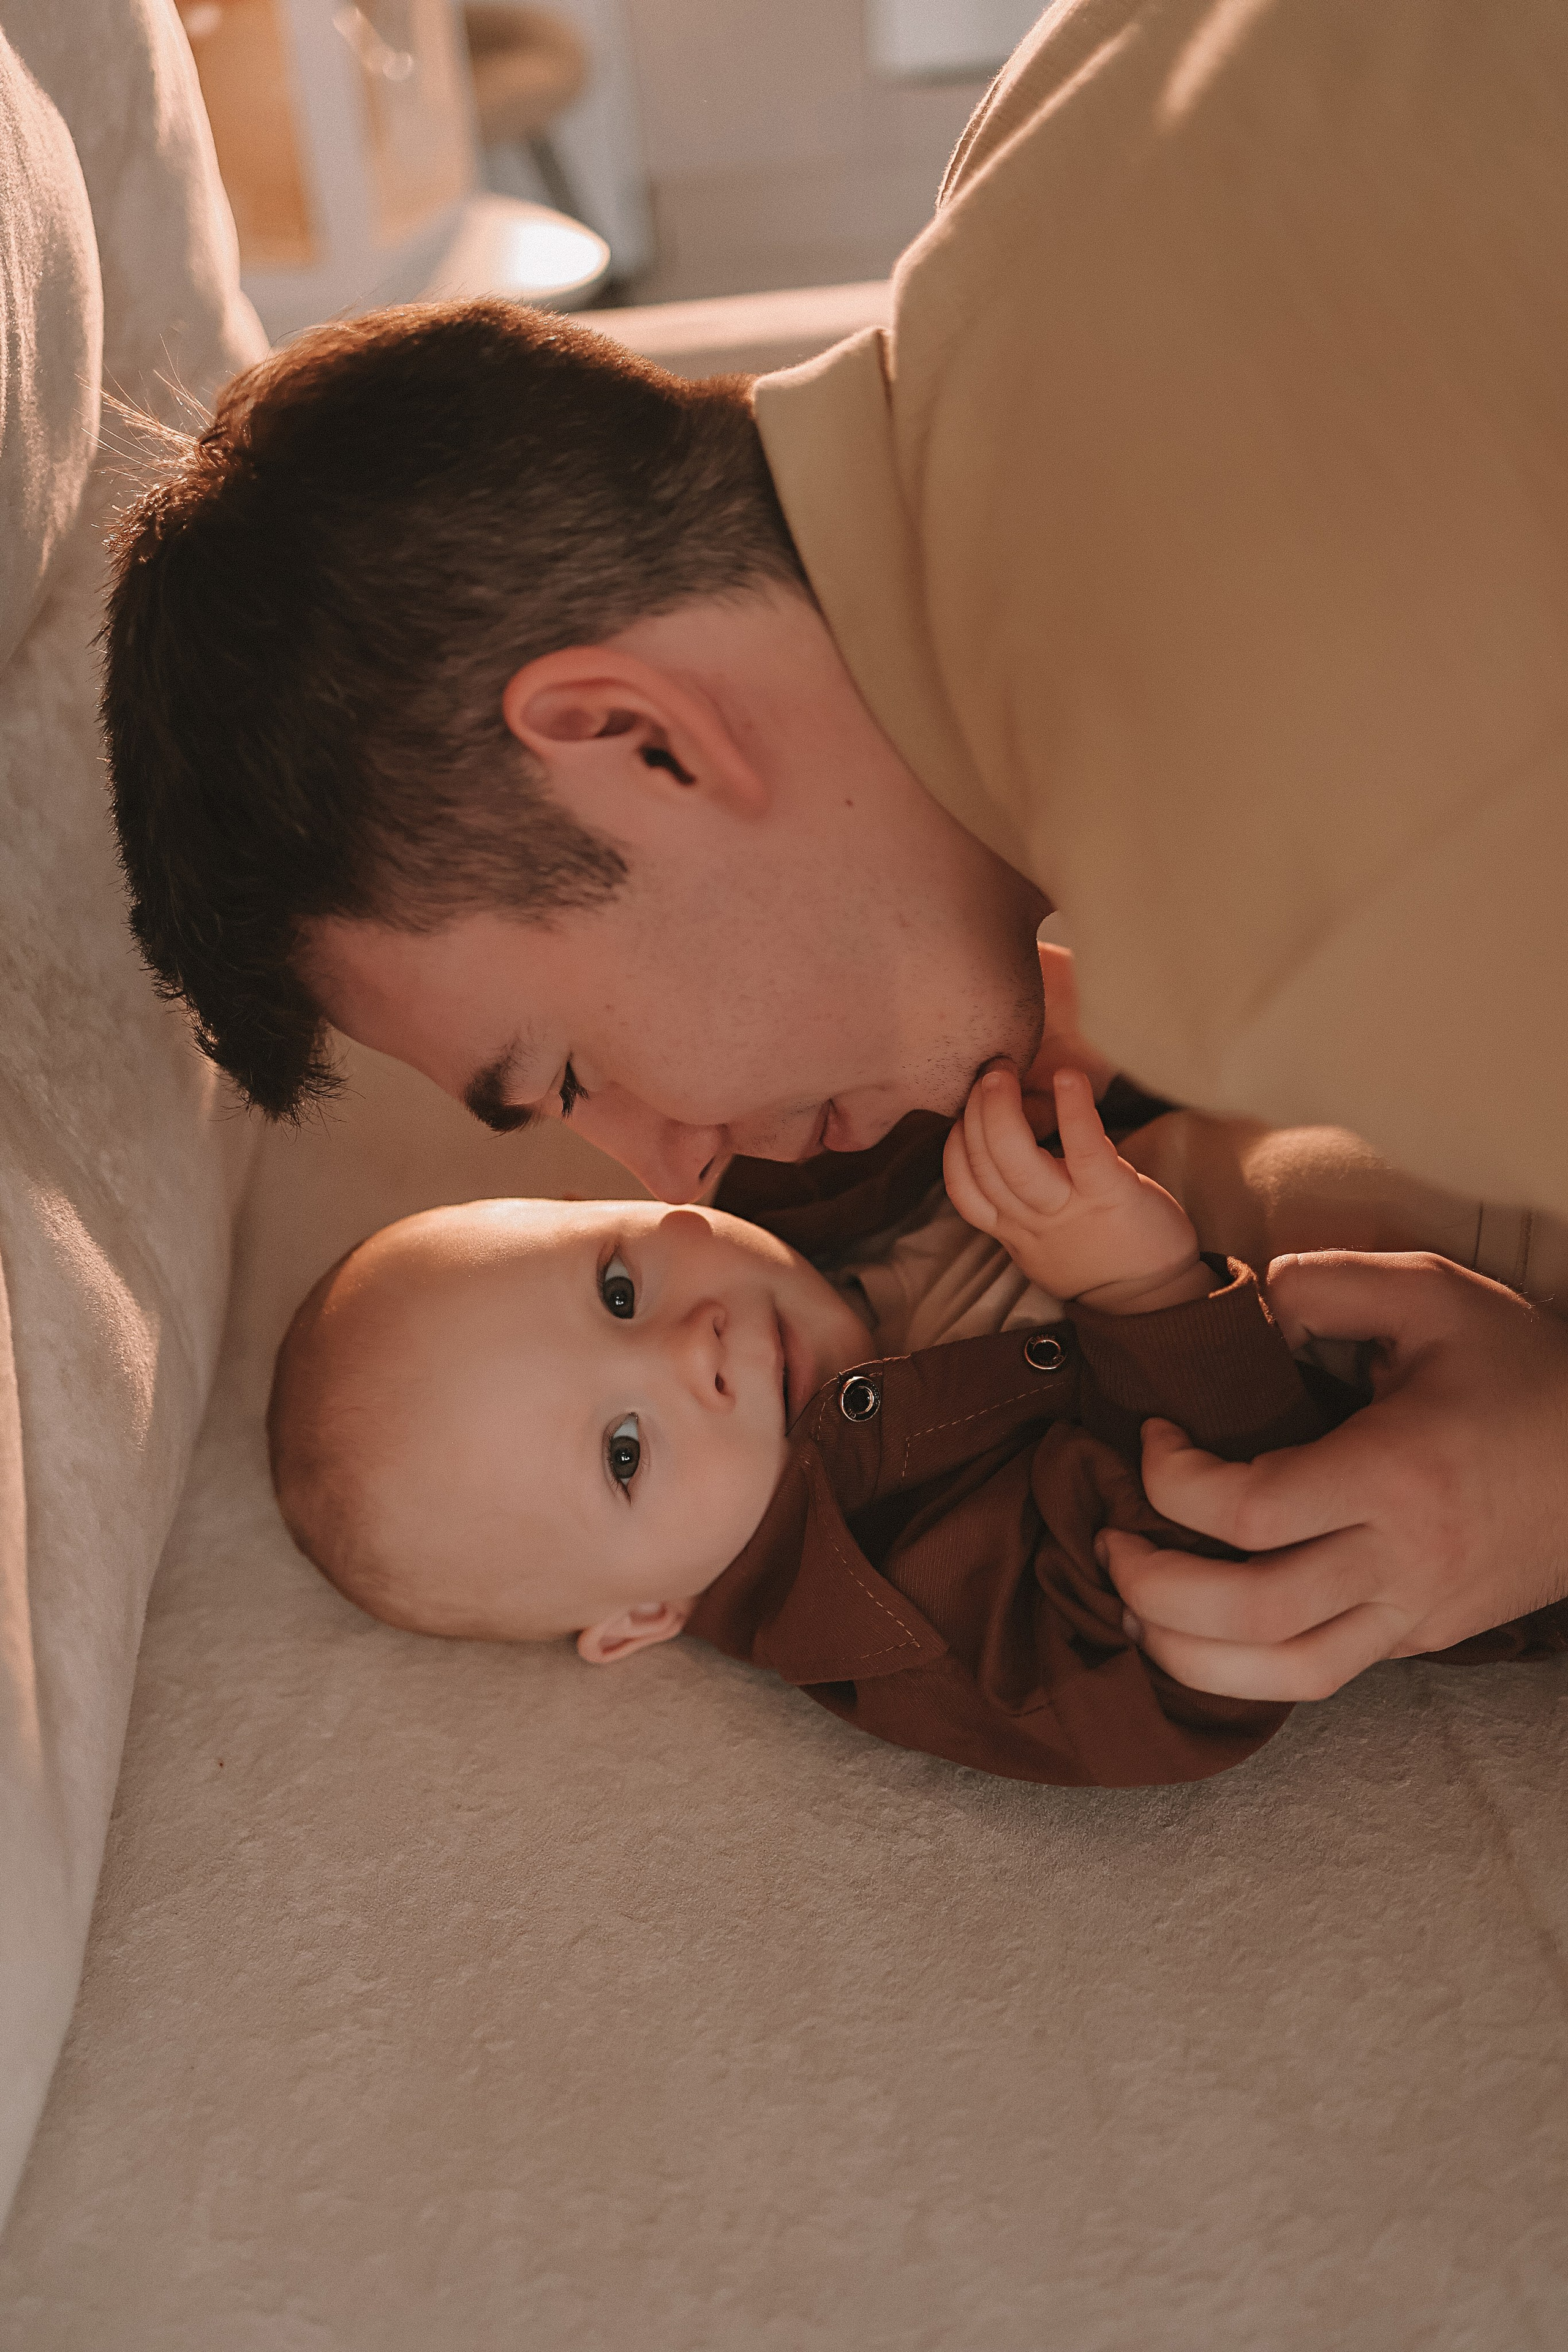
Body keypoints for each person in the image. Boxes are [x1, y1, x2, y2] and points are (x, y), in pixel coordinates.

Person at [105, 1, 1568, 1703]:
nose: (672, 1168)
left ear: (634, 740)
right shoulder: (1056, 120)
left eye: (568, 1072)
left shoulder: (1293, 889)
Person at [268, 1065, 1565, 1788]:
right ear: (642, 1614)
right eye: (625, 1452)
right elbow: (1156, 1649)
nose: (687, 1346)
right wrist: (1146, 1299)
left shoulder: (800, 1194)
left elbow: (871, 1041)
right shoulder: (888, 1603)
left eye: (618, 1288)